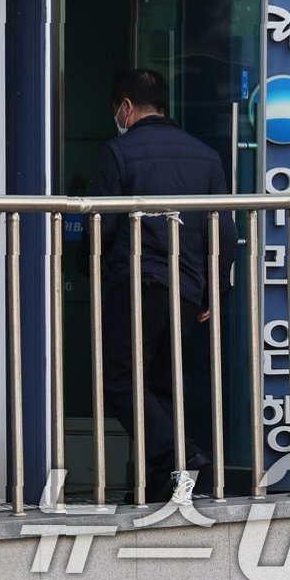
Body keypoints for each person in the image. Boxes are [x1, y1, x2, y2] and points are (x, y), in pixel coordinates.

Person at [84, 69, 237, 504]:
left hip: (138, 283)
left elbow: (100, 225)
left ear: (126, 107)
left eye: (117, 109)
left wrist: (88, 267)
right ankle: (164, 485)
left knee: (119, 379)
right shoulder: (206, 156)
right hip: (187, 288)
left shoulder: (118, 153)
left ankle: (180, 453)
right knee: (163, 386)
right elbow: (224, 232)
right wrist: (213, 291)